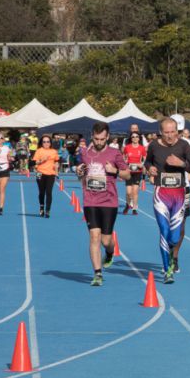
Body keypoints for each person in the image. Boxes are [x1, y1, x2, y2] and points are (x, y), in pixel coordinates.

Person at [144, 118, 190, 284]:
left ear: (177, 131)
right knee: (163, 230)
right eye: (166, 132)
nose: (169, 136)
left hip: (180, 193)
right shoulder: (154, 145)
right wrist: (149, 168)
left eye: (172, 132)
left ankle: (173, 254)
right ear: (160, 132)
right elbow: (148, 161)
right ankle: (168, 270)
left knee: (176, 234)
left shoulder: (183, 145)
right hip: (161, 193)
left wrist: (181, 163)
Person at [77, 122, 128, 286]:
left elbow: (127, 175)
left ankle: (110, 252)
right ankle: (97, 274)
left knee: (106, 240)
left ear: (107, 137)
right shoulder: (84, 153)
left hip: (109, 201)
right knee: (94, 236)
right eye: (96, 139)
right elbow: (82, 177)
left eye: (102, 139)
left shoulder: (115, 153)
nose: (99, 142)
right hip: (90, 200)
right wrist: (79, 173)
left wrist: (115, 171)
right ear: (92, 136)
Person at [122, 131, 148, 216]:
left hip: (138, 172)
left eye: (137, 136)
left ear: (139, 138)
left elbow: (145, 158)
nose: (135, 138)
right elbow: (123, 158)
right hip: (129, 172)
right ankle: (127, 205)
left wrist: (142, 164)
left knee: (135, 191)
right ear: (131, 138)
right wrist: (125, 162)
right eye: (133, 137)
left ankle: (134, 208)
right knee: (129, 192)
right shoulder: (127, 147)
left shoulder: (142, 148)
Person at [33, 135, 60, 217]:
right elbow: (34, 163)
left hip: (51, 174)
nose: (46, 143)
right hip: (39, 173)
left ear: (50, 142)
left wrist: (56, 170)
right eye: (44, 142)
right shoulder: (38, 151)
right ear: (41, 143)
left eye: (48, 141)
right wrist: (42, 160)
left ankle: (47, 210)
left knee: (49, 192)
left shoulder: (54, 151)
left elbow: (56, 161)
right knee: (41, 192)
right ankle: (41, 207)